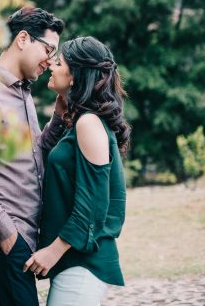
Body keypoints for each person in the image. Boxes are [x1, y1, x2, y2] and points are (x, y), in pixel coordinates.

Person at [0, 7, 67, 306]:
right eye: (48, 49)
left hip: (22, 236)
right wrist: (7, 235)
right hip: (3, 236)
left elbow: (34, 155)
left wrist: (59, 118)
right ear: (23, 39)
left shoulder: (23, 94)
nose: (50, 61)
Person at [23, 36, 131, 305]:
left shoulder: (89, 123)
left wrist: (52, 251)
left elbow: (94, 204)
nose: (51, 65)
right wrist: (59, 117)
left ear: (74, 77)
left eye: (58, 62)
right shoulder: (80, 122)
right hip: (74, 262)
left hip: (83, 264)